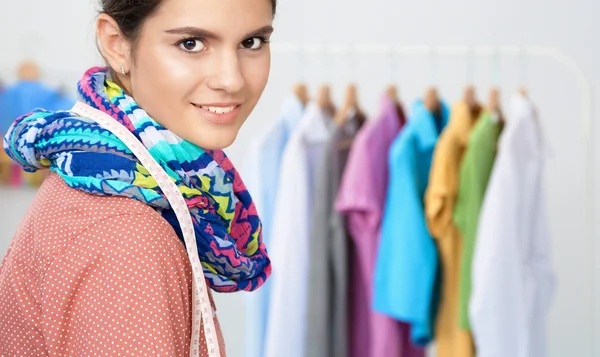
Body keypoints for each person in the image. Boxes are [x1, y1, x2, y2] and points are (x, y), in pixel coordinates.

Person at [0, 0, 276, 355]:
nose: (231, 79)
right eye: (191, 43)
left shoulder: (141, 181)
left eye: (251, 42)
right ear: (117, 44)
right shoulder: (126, 235)